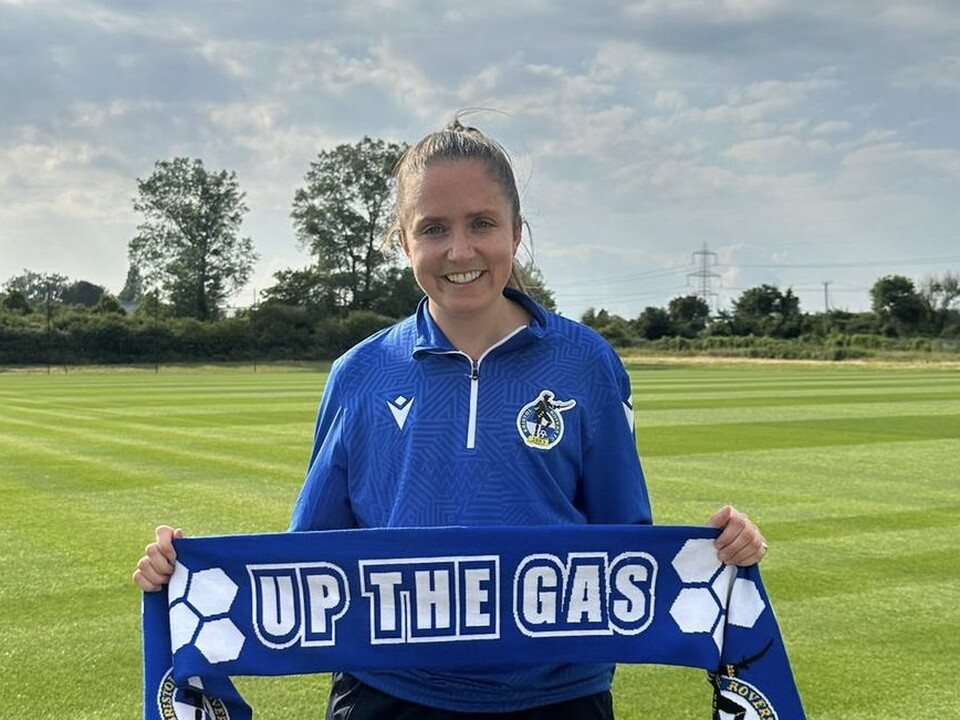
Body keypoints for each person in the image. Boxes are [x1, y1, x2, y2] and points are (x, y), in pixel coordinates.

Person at [134, 116, 767, 719]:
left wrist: (724, 552)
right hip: (389, 691)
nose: (460, 249)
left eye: (482, 223)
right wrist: (186, 576)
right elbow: (309, 560)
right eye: (433, 228)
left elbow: (626, 537)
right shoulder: (358, 373)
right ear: (402, 240)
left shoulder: (587, 364)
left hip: (557, 696)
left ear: (517, 231)